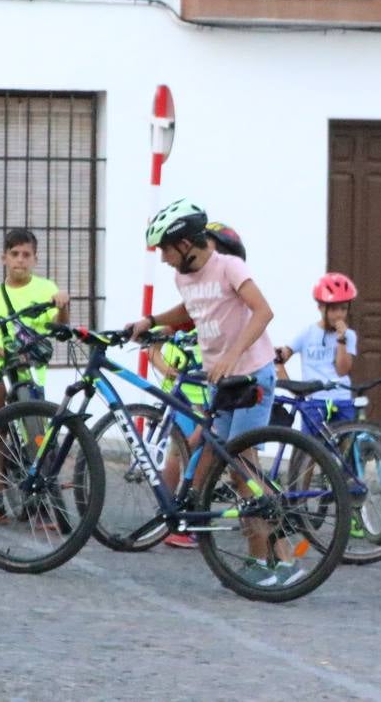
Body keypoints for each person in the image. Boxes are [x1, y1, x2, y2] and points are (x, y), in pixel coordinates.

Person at [125, 199, 292, 587]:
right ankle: (275, 557)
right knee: (231, 466)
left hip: (251, 376)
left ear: (186, 243)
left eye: (166, 248)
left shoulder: (229, 266)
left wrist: (233, 356)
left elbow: (264, 311)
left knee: (242, 470)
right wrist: (153, 322)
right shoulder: (184, 276)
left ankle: (269, 562)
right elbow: (192, 309)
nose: (164, 258)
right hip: (223, 383)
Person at [152, 220, 247, 551]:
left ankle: (189, 516)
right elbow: (163, 336)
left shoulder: (229, 298)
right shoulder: (196, 302)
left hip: (218, 391)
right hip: (195, 396)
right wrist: (165, 362)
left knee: (227, 459)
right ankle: (178, 516)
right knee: (190, 449)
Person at [0, 228, 70, 523]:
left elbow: (59, 329)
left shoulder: (46, 289)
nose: (20, 260)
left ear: (35, 258)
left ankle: (43, 501)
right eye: (14, 254)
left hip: (30, 375)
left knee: (37, 438)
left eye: (26, 255)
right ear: (3, 258)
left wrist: (63, 306)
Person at [275, 273, 359, 430]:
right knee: (312, 448)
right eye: (333, 309)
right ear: (321, 307)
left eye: (343, 309)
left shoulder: (349, 335)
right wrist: (293, 389)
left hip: (341, 397)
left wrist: (341, 340)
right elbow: (282, 357)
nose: (339, 314)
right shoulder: (307, 333)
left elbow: (343, 370)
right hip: (315, 399)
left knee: (345, 446)